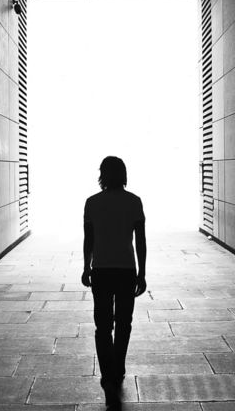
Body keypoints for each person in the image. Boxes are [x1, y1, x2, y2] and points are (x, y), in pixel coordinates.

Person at [82, 156, 147, 410]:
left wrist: (85, 267)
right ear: (123, 174)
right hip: (126, 270)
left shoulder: (92, 203)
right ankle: (118, 367)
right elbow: (139, 241)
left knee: (102, 325)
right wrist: (142, 273)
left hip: (101, 270)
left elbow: (89, 240)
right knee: (123, 323)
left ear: (103, 175)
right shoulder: (134, 202)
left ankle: (107, 372)